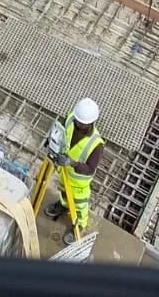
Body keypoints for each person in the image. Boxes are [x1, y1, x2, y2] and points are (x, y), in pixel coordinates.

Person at [45, 98, 103, 237]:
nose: (78, 123)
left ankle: (79, 225)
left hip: (78, 184)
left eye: (81, 123)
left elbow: (90, 169)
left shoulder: (96, 144)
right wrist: (51, 141)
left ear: (91, 122)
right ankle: (63, 206)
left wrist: (72, 163)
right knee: (63, 192)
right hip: (64, 171)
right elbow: (62, 131)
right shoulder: (71, 118)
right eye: (77, 120)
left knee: (79, 205)